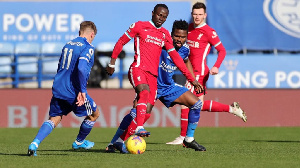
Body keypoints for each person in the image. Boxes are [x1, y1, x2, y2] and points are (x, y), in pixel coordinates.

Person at [106, 20, 206, 153]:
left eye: (182, 37)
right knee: (137, 113)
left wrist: (192, 80)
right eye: (176, 36)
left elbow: (185, 61)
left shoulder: (185, 50)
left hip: (168, 86)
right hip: (151, 83)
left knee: (197, 104)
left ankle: (188, 139)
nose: (179, 39)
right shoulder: (162, 42)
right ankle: (114, 143)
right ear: (171, 34)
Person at [166, 2, 247, 145]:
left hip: (199, 72)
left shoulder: (209, 31)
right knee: (199, 105)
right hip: (188, 71)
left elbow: (222, 50)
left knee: (186, 103)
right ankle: (232, 109)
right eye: (195, 14)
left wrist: (216, 66)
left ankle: (183, 137)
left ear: (205, 15)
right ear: (192, 14)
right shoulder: (188, 29)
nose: (197, 17)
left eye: (200, 14)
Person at [27, 21, 100, 156]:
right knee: (94, 114)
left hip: (59, 87)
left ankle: (34, 144)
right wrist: (82, 90)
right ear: (92, 34)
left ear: (79, 32)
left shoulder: (68, 45)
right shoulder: (87, 47)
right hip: (74, 90)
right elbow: (81, 67)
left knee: (54, 118)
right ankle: (79, 142)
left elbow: (61, 66)